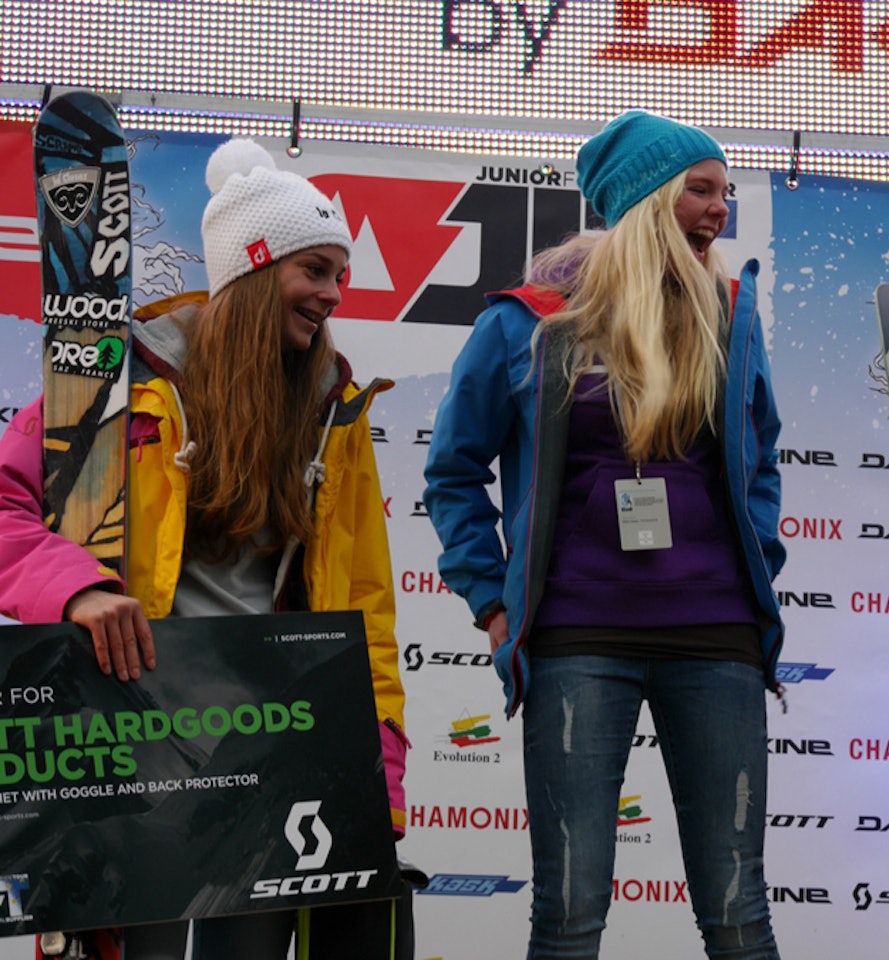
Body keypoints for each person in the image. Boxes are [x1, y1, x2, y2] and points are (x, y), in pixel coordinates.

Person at [0, 139, 411, 959]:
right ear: (256, 268)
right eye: (316, 270)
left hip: (270, 745)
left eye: (340, 274)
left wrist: (379, 774)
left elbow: (362, 601)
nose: (334, 294)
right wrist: (76, 587)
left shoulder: (332, 408)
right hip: (132, 732)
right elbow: (8, 504)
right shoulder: (117, 385)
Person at [422, 109, 786, 959]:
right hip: (577, 639)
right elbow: (452, 471)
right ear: (647, 199)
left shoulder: (729, 312)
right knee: (570, 913)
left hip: (717, 639)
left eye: (725, 193)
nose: (719, 209)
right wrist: (489, 599)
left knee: (739, 913)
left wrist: (755, 567)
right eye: (701, 189)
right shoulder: (526, 321)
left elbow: (761, 460)